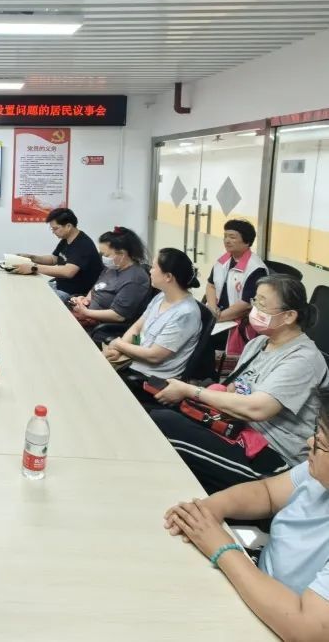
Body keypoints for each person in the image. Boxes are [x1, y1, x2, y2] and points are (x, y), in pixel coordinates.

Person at [162, 391, 329, 640]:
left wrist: (222, 549)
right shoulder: (315, 472)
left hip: (281, 620)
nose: (309, 442)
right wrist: (211, 509)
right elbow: (268, 493)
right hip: (258, 582)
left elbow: (307, 629)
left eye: (322, 442)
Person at [151, 274, 328, 493]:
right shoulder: (258, 343)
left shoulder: (303, 359)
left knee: (163, 425)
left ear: (289, 316)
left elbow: (258, 409)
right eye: (255, 301)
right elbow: (232, 390)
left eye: (262, 304)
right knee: (164, 415)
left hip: (273, 458)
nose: (255, 309)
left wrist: (190, 390)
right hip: (235, 431)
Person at [102, 247, 202, 380]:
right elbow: (138, 329)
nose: (150, 271)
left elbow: (154, 356)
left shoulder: (186, 313)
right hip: (132, 362)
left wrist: (119, 344)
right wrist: (119, 351)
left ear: (168, 277)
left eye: (154, 267)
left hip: (149, 377)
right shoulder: (162, 296)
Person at [206, 219, 268, 356]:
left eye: (232, 237)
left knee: (202, 337)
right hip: (218, 315)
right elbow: (211, 285)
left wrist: (216, 318)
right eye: (225, 236)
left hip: (237, 320)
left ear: (246, 241)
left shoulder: (256, 269)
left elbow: (246, 305)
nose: (227, 241)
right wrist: (212, 309)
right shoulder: (223, 260)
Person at [15, 208, 103, 303]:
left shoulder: (83, 244)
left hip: (74, 293)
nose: (53, 232)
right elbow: (54, 259)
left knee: (33, 300)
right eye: (52, 229)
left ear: (68, 226)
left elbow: (68, 272)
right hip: (59, 285)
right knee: (26, 290)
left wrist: (34, 268)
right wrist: (32, 258)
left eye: (55, 228)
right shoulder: (66, 239)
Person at [69, 227, 150, 329]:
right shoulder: (112, 268)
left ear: (122, 254)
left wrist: (86, 312)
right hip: (87, 313)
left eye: (106, 255)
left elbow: (118, 316)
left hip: (101, 325)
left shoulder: (135, 279)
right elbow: (97, 288)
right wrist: (85, 300)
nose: (103, 258)